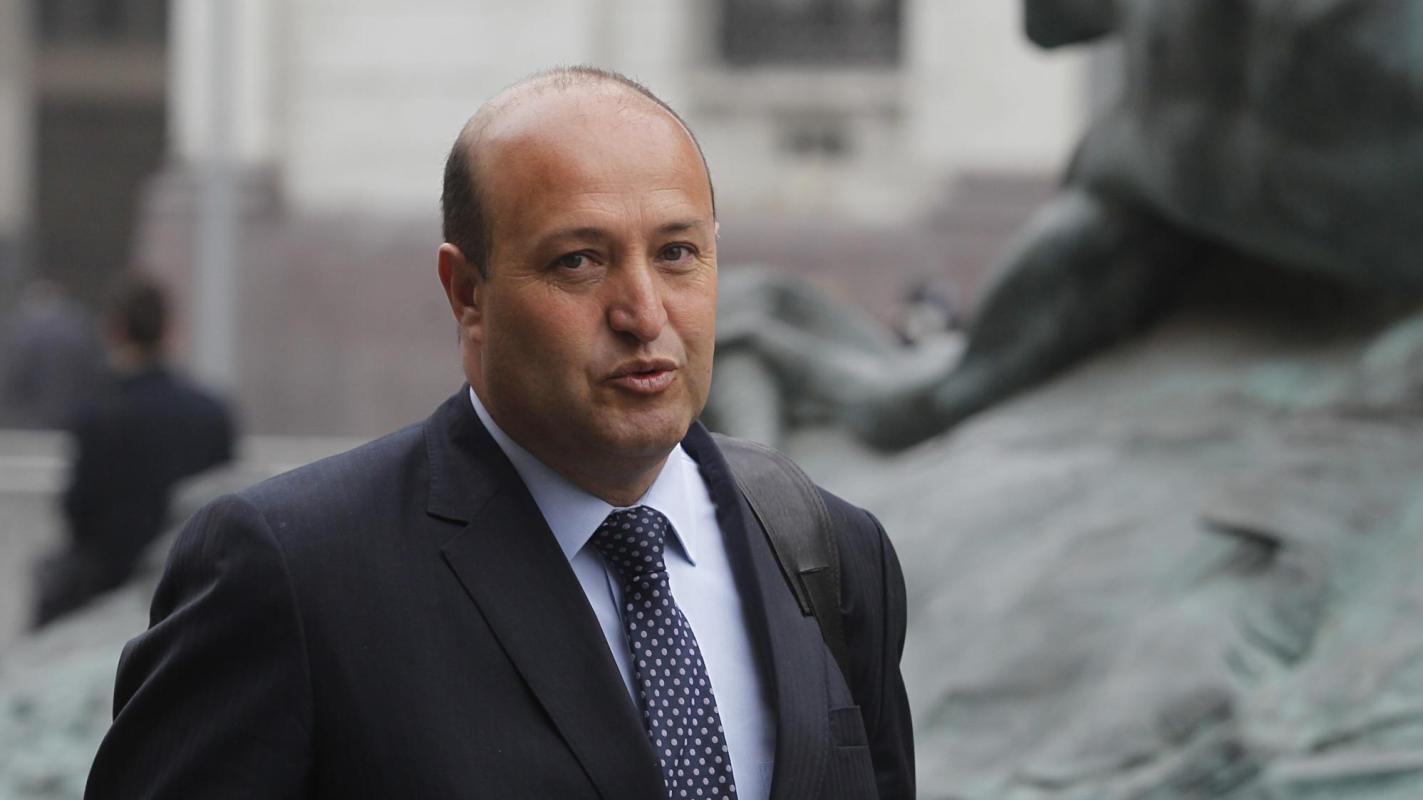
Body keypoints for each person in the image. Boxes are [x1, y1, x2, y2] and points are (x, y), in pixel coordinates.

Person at [86, 66, 914, 799]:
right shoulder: (292, 573)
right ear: (467, 293)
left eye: (675, 253)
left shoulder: (830, 550)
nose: (643, 313)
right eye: (578, 261)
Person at [32, 274, 234, 628]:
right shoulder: (212, 413)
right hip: (192, 594)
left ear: (115, 330)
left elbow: (79, 511)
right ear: (168, 330)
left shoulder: (97, 415)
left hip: (109, 595)